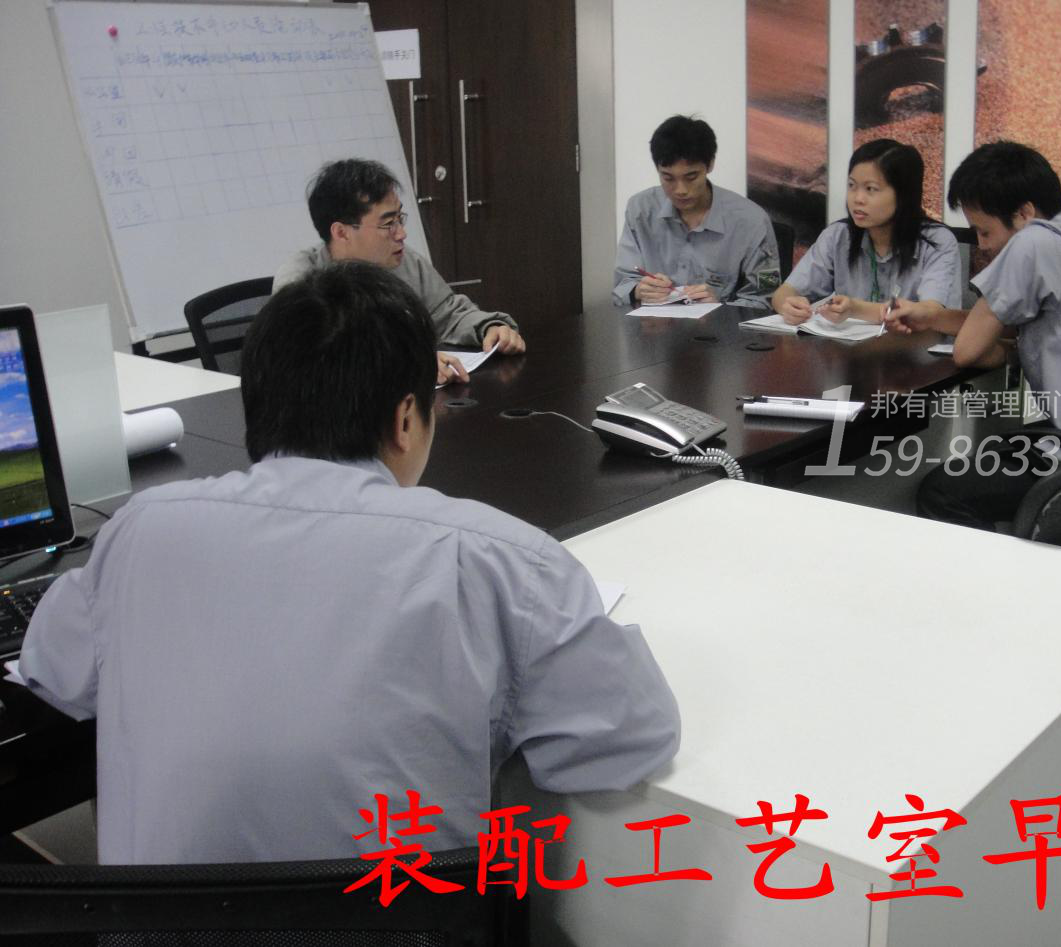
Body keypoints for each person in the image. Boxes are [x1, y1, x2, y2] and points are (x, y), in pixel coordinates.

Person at [19, 261, 680, 864]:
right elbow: (631, 735)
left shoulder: (140, 531)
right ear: (405, 419)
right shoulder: (500, 561)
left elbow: (50, 666)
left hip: (160, 931)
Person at [885, 141, 1061, 530]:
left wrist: (1000, 347)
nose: (982, 244)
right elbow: (1023, 322)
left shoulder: (1035, 242)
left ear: (1024, 214)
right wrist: (933, 318)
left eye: (984, 230)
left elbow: (967, 351)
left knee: (943, 493)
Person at [276, 158, 525, 385]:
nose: (401, 234)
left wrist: (489, 328)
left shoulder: (404, 262)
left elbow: (447, 314)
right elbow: (317, 363)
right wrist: (409, 363)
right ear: (341, 232)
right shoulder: (301, 283)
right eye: (388, 224)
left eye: (399, 219)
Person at [772, 139, 961, 326]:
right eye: (852, 186)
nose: (858, 199)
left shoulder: (937, 241)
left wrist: (855, 309)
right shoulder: (838, 235)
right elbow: (785, 292)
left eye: (871, 189)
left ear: (904, 195)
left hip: (914, 345)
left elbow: (933, 315)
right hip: (847, 345)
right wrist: (788, 306)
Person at [613, 115, 781, 310]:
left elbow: (767, 297)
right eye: (668, 178)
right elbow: (622, 285)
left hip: (722, 327)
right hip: (653, 325)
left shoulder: (751, 220)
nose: (680, 190)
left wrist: (720, 307)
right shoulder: (640, 209)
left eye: (691, 177)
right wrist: (638, 290)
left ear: (710, 165)